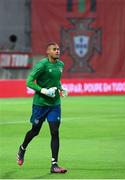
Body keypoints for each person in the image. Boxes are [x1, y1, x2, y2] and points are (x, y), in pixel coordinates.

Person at [17, 42, 68, 173]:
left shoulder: (60, 65)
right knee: (35, 131)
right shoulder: (42, 65)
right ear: (48, 52)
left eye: (58, 49)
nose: (57, 51)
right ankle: (22, 148)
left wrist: (61, 88)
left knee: (55, 131)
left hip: (54, 105)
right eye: (54, 49)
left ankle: (54, 165)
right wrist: (43, 90)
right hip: (40, 105)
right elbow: (28, 82)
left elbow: (56, 81)